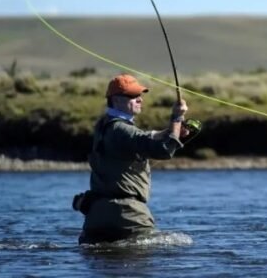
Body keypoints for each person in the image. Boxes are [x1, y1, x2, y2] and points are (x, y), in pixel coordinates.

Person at [76, 73, 191, 245]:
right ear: (116, 100)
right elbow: (163, 151)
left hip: (96, 216)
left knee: (99, 257)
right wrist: (176, 118)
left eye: (140, 95)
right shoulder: (121, 130)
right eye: (132, 96)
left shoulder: (104, 125)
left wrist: (171, 131)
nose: (140, 99)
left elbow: (142, 137)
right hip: (128, 215)